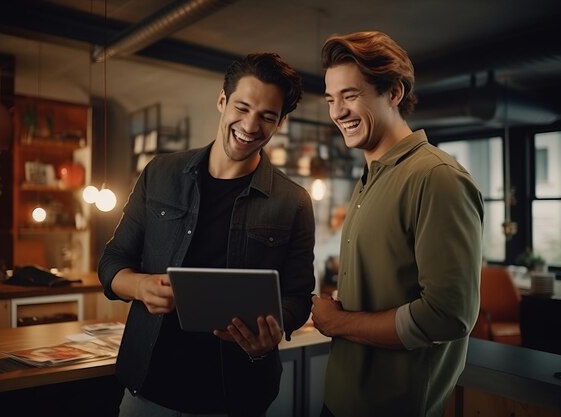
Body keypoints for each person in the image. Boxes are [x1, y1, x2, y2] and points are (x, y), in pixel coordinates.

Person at [98, 52, 316, 417]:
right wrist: (139, 287)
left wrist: (272, 330)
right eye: (242, 107)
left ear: (280, 122)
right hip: (149, 389)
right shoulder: (160, 173)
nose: (249, 125)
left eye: (267, 116)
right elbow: (112, 260)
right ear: (222, 101)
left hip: (238, 396)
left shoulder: (293, 201)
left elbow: (297, 297)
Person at [311, 31, 484, 417]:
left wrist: (340, 321)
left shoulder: (437, 177)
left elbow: (447, 315)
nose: (337, 111)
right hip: (339, 399)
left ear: (393, 93)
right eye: (330, 99)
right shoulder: (367, 179)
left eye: (350, 95)